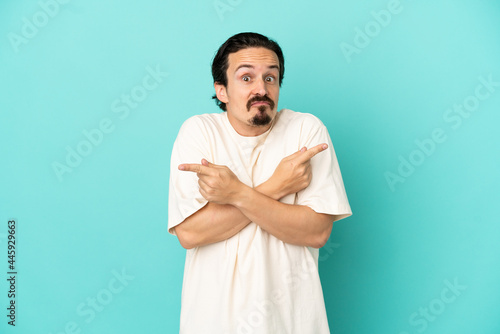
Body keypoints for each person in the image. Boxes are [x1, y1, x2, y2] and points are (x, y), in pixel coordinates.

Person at [168, 32, 352, 334]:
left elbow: (317, 231)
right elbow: (190, 232)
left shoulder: (306, 130)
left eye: (270, 78)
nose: (261, 88)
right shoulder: (199, 132)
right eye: (246, 78)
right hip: (213, 321)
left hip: (293, 320)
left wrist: (234, 194)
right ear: (222, 90)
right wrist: (276, 186)